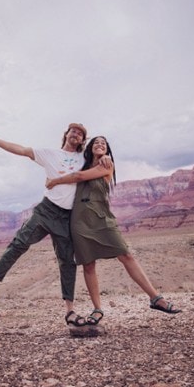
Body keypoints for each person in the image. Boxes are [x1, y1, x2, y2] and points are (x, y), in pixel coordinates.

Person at [0, 123, 111, 327]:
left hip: (67, 217)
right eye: (73, 131)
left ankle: (69, 311)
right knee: (18, 244)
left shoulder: (83, 159)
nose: (76, 134)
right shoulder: (49, 153)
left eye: (80, 133)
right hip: (46, 210)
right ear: (66, 134)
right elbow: (22, 150)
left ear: (82, 140)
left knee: (67, 262)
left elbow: (99, 159)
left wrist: (104, 158)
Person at [46, 136, 182, 324]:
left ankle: (155, 298)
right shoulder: (81, 164)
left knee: (126, 255)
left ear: (107, 150)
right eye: (96, 142)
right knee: (89, 264)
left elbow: (78, 178)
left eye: (104, 144)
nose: (100, 145)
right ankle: (97, 309)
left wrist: (55, 181)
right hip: (79, 222)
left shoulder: (106, 165)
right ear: (90, 147)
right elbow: (72, 168)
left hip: (102, 219)